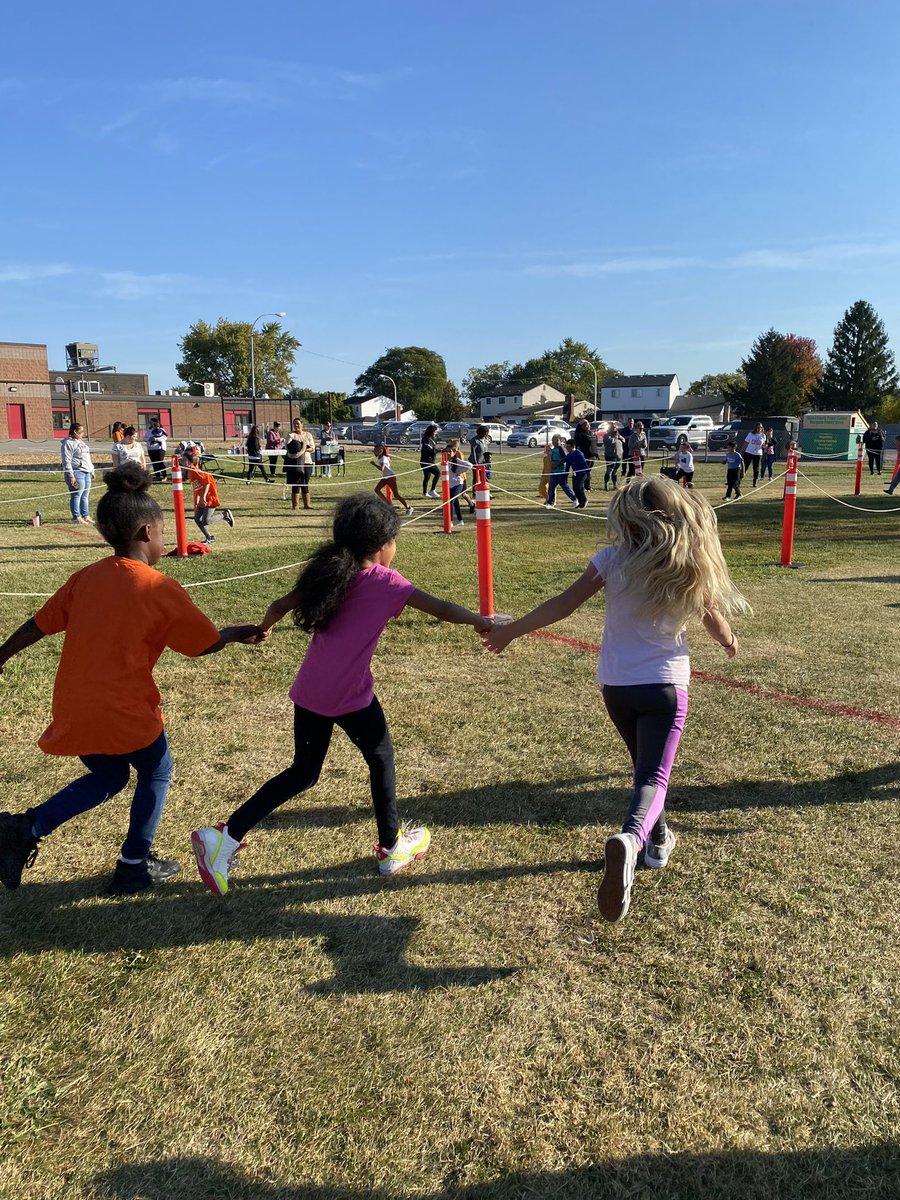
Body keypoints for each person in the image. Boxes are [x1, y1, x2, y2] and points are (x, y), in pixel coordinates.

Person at [191, 492, 493, 894]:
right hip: (350, 696)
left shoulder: (326, 572)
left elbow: (279, 605)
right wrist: (482, 621)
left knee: (303, 772)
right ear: (384, 544)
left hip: (311, 690)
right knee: (381, 758)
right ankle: (390, 849)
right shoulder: (387, 582)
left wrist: (262, 630)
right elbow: (444, 608)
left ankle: (224, 837)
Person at [483, 476, 749, 923]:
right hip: (665, 687)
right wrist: (729, 641)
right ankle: (630, 839)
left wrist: (509, 631)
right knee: (654, 777)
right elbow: (714, 620)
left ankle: (657, 840)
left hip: (617, 688)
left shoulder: (611, 561)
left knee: (643, 768)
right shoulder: (686, 565)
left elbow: (562, 605)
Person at [0, 463, 262, 895]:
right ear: (146, 531)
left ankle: (26, 827)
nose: (164, 540)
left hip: (74, 706)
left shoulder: (85, 578)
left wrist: (2, 656)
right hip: (123, 710)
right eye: (162, 531)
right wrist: (233, 634)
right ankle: (133, 865)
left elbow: (36, 625)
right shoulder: (158, 586)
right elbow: (201, 645)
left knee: (110, 776)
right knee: (157, 771)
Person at [186, 449, 235, 544]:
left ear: (190, 461)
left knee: (206, 521)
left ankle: (224, 515)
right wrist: (196, 503)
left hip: (210, 498)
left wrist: (203, 497)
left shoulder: (195, 471)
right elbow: (195, 489)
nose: (181, 462)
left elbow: (207, 482)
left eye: (183, 460)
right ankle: (210, 538)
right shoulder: (190, 473)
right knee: (197, 519)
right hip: (202, 499)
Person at [61, 422, 95, 525]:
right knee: (77, 495)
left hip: (86, 472)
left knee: (85, 495)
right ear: (74, 432)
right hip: (76, 472)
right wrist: (71, 475)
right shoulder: (67, 444)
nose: (83, 434)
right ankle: (77, 517)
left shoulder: (81, 442)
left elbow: (87, 458)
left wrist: (92, 470)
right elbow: (66, 461)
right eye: (81, 432)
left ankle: (86, 515)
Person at [372, 444, 414, 515]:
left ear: (380, 451)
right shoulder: (382, 457)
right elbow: (389, 461)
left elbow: (382, 469)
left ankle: (409, 507)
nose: (373, 452)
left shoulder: (383, 458)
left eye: (375, 450)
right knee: (377, 490)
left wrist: (374, 464)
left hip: (391, 477)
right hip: (385, 477)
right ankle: (388, 504)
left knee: (396, 495)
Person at [545, 435, 577, 509]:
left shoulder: (561, 449)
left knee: (565, 488)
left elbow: (564, 459)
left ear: (560, 441)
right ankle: (550, 503)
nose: (555, 442)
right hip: (553, 472)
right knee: (551, 488)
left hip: (561, 472)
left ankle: (575, 499)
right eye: (553, 440)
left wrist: (557, 464)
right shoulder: (553, 450)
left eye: (556, 440)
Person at [289, 418, 316, 503]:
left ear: (301, 424)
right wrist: (301, 447)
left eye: (298, 423)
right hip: (296, 462)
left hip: (307, 461)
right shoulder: (291, 435)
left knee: (305, 482)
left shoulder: (308, 435)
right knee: (296, 482)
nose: (296, 425)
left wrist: (302, 449)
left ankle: (307, 504)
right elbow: (288, 447)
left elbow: (312, 448)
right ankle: (295, 504)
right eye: (294, 424)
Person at [446, 439, 468, 526]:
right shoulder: (446, 461)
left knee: (450, 501)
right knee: (455, 502)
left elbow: (468, 465)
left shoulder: (457, 459)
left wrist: (460, 471)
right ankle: (460, 520)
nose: (448, 454)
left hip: (458, 483)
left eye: (449, 452)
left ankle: (450, 521)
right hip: (450, 484)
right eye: (446, 452)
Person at [282, 436, 306, 512]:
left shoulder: (289, 450)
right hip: (298, 468)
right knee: (297, 485)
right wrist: (304, 444)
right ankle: (296, 505)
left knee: (296, 485)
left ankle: (299, 504)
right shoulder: (299, 452)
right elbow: (303, 449)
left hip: (292, 468)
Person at [574, 420, 598, 491]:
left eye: (588, 424)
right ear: (581, 426)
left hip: (591, 456)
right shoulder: (579, 434)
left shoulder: (591, 433)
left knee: (588, 472)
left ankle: (588, 486)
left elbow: (594, 443)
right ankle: (582, 486)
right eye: (585, 425)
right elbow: (577, 446)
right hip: (584, 456)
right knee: (584, 472)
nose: (587, 426)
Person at [565, 438, 590, 509]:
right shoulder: (569, 455)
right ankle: (580, 502)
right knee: (575, 489)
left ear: (573, 446)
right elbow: (567, 466)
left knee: (579, 487)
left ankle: (584, 500)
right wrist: (565, 477)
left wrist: (588, 474)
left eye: (568, 446)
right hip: (575, 474)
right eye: (566, 446)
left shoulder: (579, 454)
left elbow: (585, 464)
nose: (567, 448)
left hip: (582, 474)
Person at [419, 424, 440, 498]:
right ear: (432, 431)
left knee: (427, 476)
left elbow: (433, 449)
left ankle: (425, 493)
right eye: (435, 431)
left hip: (430, 460)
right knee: (437, 473)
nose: (436, 433)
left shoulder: (432, 439)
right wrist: (436, 451)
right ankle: (432, 490)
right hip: (427, 461)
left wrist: (439, 450)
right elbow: (428, 449)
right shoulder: (426, 439)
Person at [144, 419, 168, 483]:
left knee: (160, 462)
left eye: (151, 422)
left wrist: (155, 439)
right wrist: (149, 439)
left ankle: (164, 476)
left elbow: (164, 437)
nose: (150, 423)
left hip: (159, 448)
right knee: (154, 462)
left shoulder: (161, 429)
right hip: (151, 449)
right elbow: (145, 438)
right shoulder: (149, 430)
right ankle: (157, 476)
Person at [742, 422, 765, 488]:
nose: (759, 429)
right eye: (758, 427)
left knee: (756, 468)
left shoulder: (763, 436)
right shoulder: (751, 434)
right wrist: (742, 451)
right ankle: (739, 479)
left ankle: (755, 482)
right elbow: (746, 443)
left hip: (758, 454)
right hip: (749, 452)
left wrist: (765, 446)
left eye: (760, 427)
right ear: (755, 428)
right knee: (745, 466)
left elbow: (763, 445)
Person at [603, 423, 624, 490]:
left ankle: (615, 485)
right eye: (613, 428)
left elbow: (624, 440)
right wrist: (615, 437)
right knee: (609, 471)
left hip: (618, 455)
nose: (614, 429)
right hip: (610, 455)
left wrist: (619, 437)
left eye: (615, 428)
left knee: (615, 471)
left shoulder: (618, 435)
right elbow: (610, 441)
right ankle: (606, 484)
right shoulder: (606, 435)